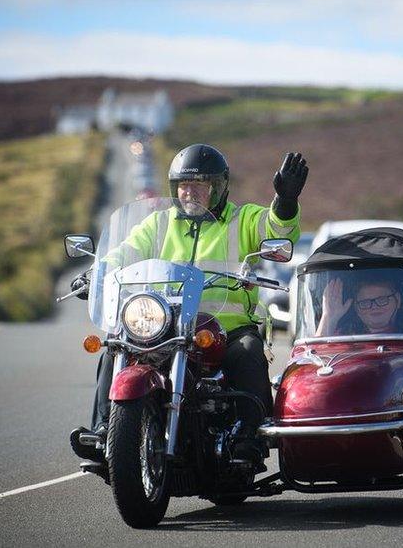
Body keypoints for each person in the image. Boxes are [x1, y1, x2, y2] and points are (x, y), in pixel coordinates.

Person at [71, 143, 307, 469]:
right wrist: (94, 273)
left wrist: (285, 201)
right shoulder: (159, 223)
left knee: (249, 351)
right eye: (183, 185)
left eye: (198, 185)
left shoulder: (242, 219)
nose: (188, 193)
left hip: (227, 325)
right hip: (165, 322)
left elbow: (277, 229)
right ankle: (104, 432)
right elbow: (124, 252)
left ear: (219, 187)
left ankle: (248, 437)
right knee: (115, 347)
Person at [316, 277, 402, 336]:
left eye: (382, 299)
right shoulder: (345, 336)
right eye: (365, 303)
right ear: (356, 308)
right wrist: (329, 317)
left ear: (397, 300)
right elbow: (316, 357)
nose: (374, 307)